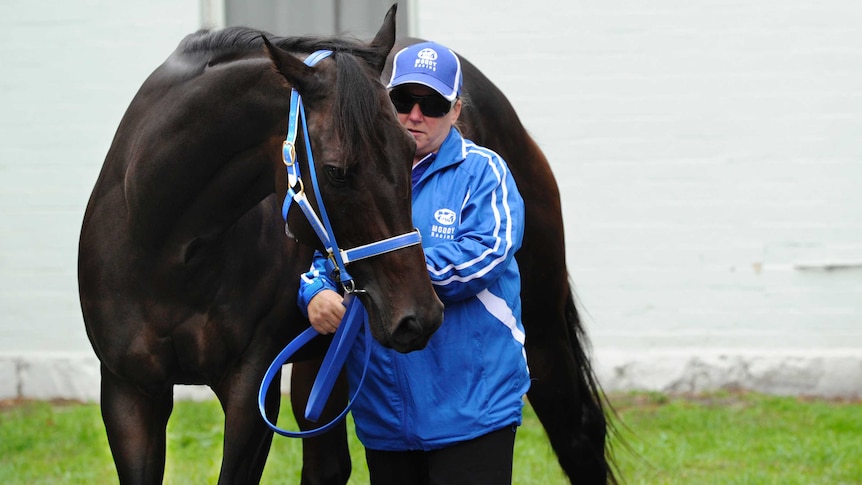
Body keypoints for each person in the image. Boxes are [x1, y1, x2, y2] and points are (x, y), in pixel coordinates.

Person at [298, 41, 529, 485]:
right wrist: (316, 292)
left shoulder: (484, 172)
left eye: (434, 103)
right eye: (404, 100)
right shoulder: (362, 175)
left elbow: (486, 253)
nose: (416, 116)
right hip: (386, 416)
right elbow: (323, 257)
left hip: (472, 412)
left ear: (456, 110)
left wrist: (383, 271)